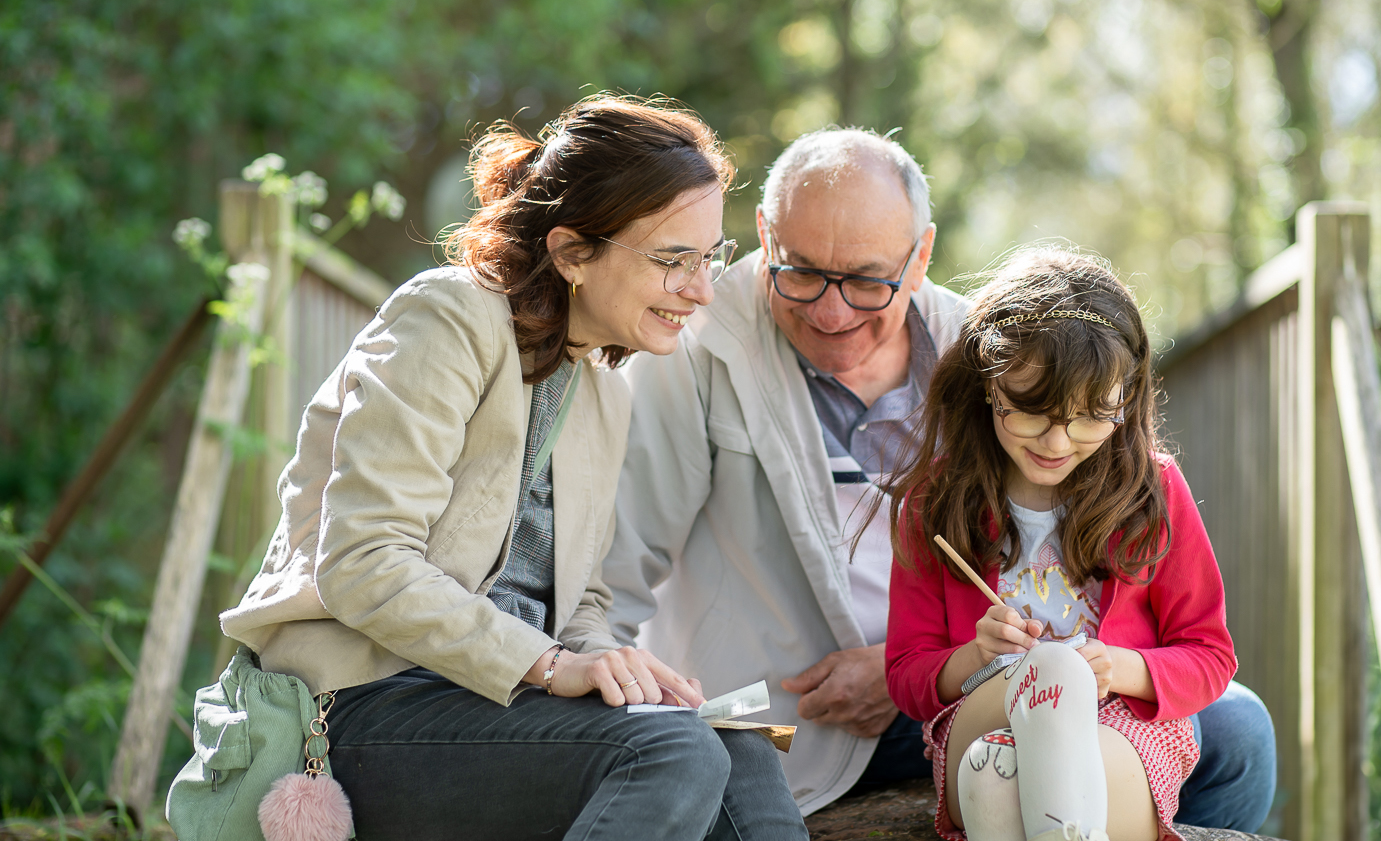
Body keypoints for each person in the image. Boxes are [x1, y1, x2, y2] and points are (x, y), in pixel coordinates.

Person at [604, 127, 1276, 830]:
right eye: (800, 271)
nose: (832, 313)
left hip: (960, 689)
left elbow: (1201, 645)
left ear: (920, 255)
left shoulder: (989, 350)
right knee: (1047, 710)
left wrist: (906, 673)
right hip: (811, 708)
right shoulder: (700, 348)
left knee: (1238, 731)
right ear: (766, 239)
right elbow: (618, 569)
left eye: (867, 281)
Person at [220, 95, 807, 841]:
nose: (701, 289)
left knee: (735, 749)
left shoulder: (600, 388)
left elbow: (579, 598)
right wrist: (550, 663)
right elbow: (363, 562)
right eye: (672, 260)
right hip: (361, 708)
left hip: (491, 704)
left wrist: (621, 667)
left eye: (709, 258)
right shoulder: (444, 319)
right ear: (570, 253)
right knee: (673, 753)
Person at [883, 246, 1236, 841]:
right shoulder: (936, 499)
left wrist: (1120, 667)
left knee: (993, 778)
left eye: (1093, 416)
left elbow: (1210, 656)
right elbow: (907, 677)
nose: (1058, 441)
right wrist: (976, 656)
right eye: (1032, 413)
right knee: (1050, 675)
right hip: (987, 706)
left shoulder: (1152, 491)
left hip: (1122, 726)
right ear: (988, 386)